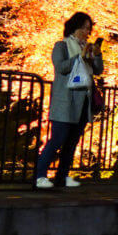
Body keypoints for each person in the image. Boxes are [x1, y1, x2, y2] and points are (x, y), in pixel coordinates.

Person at [34, 12, 103, 188]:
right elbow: (61, 67)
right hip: (66, 101)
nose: (87, 32)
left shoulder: (87, 47)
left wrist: (96, 54)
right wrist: (79, 56)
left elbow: (98, 70)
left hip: (83, 101)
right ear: (74, 27)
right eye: (84, 28)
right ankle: (39, 175)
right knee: (58, 139)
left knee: (72, 142)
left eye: (89, 28)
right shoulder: (62, 46)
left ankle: (62, 177)